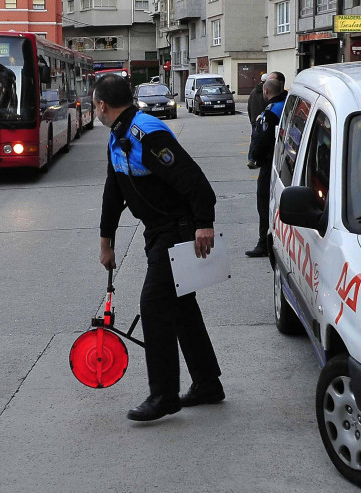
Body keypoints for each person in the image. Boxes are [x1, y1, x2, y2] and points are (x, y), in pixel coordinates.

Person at [95, 73, 224, 422]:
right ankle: (208, 384)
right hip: (159, 231)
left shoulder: (146, 134)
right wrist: (106, 242)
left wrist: (204, 224)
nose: (95, 110)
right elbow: (114, 192)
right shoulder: (117, 137)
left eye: (95, 104)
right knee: (181, 308)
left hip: (178, 230)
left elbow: (194, 181)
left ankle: (164, 395)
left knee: (154, 306)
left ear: (102, 105)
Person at [245, 78, 286, 258]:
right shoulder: (286, 103)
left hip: (270, 163)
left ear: (267, 92)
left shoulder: (271, 111)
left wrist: (256, 158)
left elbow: (263, 138)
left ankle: (264, 242)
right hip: (283, 161)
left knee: (264, 203)